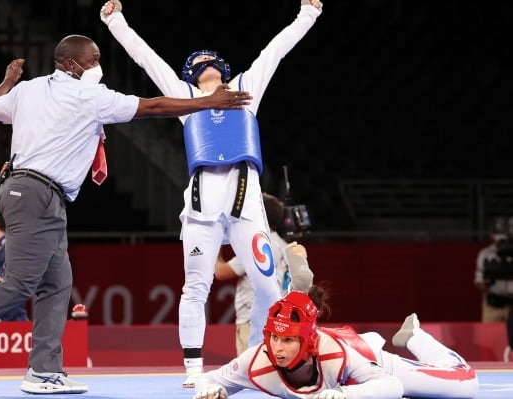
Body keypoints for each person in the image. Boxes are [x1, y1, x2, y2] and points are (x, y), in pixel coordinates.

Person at [0, 33, 252, 395]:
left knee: (56, 285)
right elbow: (152, 107)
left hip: (42, 195)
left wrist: (7, 83)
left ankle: (43, 371)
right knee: (20, 284)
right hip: (33, 192)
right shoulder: (89, 96)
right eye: (93, 60)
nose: (98, 66)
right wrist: (206, 102)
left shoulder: (28, 90)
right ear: (71, 64)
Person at [100, 0, 323, 386]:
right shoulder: (185, 98)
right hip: (202, 208)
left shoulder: (246, 89)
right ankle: (192, 369)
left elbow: (276, 49)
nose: (207, 68)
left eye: (212, 63)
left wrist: (308, 14)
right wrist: (115, 20)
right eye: (200, 65)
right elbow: (146, 59)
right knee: (195, 286)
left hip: (247, 207)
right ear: (191, 73)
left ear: (223, 69)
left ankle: (257, 355)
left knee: (269, 287)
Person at [194, 289, 479, 399]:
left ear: (307, 342)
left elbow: (393, 387)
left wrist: (344, 395)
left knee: (465, 386)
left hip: (367, 362)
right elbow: (207, 378)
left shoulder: (335, 355)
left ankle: (415, 337)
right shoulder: (257, 360)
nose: (277, 348)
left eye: (288, 340)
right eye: (274, 338)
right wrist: (210, 389)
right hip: (344, 368)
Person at [215, 193, 314, 355]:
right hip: (278, 320)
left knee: (250, 373)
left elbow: (220, 272)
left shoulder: (259, 246)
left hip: (252, 320)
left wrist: (216, 241)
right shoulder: (284, 245)